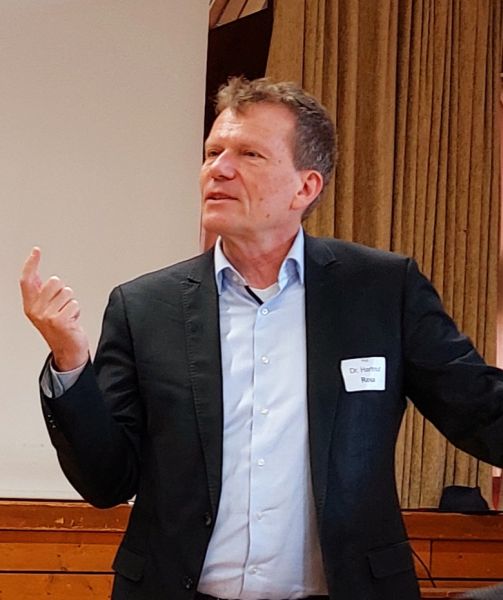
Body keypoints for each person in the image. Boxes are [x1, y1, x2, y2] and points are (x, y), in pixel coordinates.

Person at [20, 77, 503, 600]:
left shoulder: (381, 291)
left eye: (248, 154)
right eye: (213, 152)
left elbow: (479, 409)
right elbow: (107, 480)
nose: (219, 169)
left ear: (306, 187)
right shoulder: (146, 307)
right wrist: (70, 359)